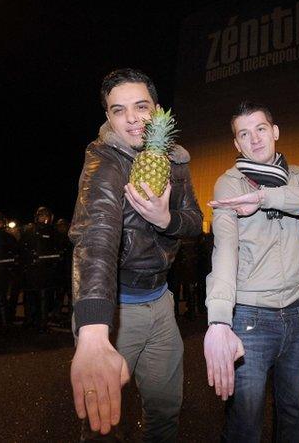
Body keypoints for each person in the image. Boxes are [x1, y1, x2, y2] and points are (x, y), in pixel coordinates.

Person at [68, 68, 203, 440]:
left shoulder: (176, 161)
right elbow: (95, 235)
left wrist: (166, 218)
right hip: (117, 308)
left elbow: (195, 222)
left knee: (165, 411)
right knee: (102, 423)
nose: (131, 119)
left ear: (156, 109)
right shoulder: (104, 160)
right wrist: (94, 331)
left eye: (141, 107)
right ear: (108, 117)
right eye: (118, 110)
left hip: (161, 302)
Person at [203, 101, 299, 442]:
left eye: (261, 129)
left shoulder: (295, 176)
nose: (255, 139)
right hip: (250, 318)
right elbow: (225, 249)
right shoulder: (229, 184)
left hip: (297, 314)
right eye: (244, 134)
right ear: (237, 144)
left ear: (274, 132)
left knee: (292, 410)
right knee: (245, 421)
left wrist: (264, 198)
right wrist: (219, 319)